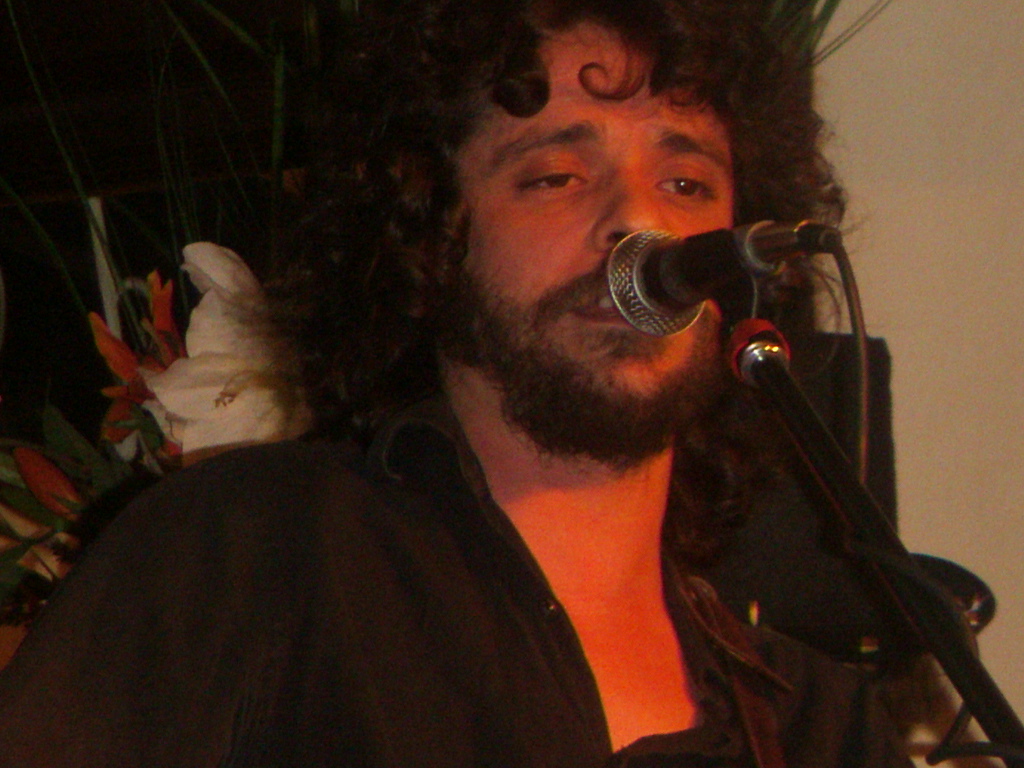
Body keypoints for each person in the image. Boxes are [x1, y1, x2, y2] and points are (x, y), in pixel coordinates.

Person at [0, 0, 910, 765]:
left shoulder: (816, 727)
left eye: (686, 184)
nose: (638, 223)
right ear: (432, 229)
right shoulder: (256, 550)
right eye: (557, 176)